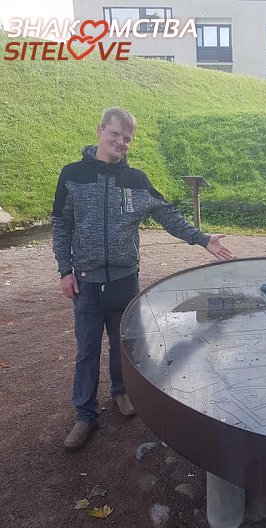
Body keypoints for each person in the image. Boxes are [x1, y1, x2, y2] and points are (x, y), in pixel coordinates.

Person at [52, 107, 234, 451]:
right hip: (86, 281)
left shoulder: (136, 180)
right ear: (100, 130)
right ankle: (84, 414)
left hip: (124, 280)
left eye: (127, 139)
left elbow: (168, 216)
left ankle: (122, 392)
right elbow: (62, 224)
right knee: (87, 349)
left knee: (124, 344)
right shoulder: (73, 175)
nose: (120, 142)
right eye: (115, 134)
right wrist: (64, 270)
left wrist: (202, 239)